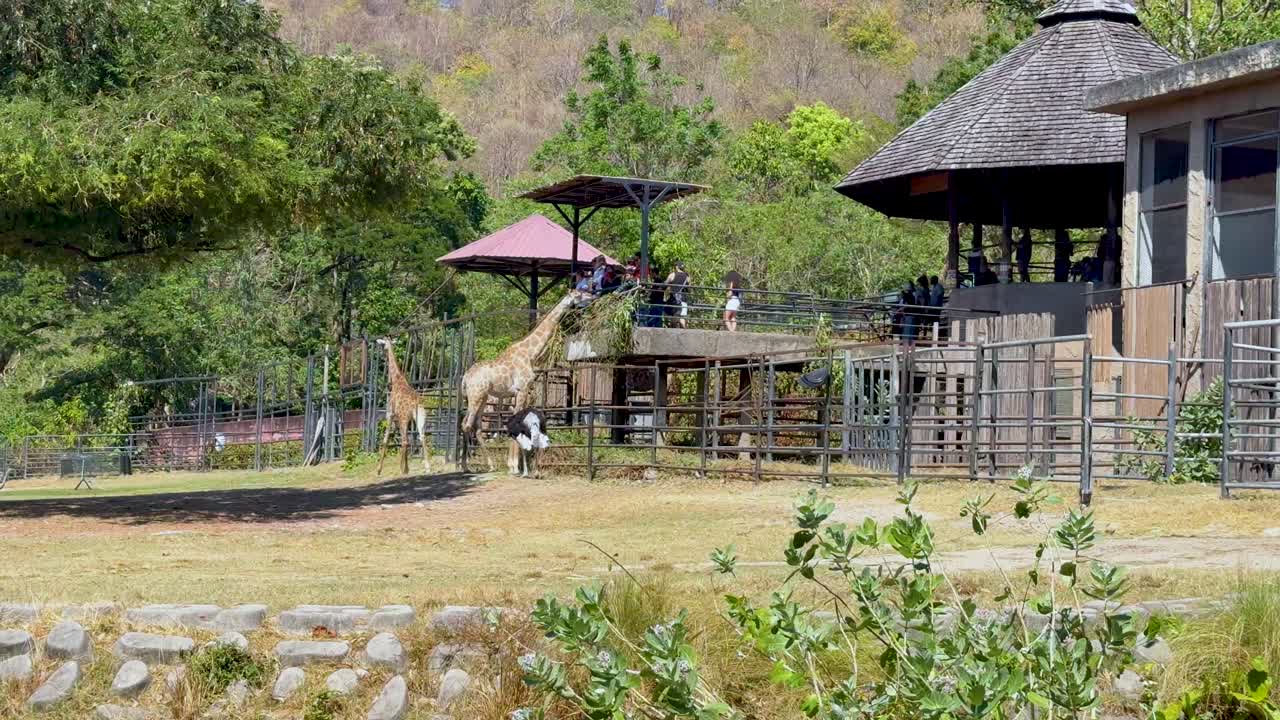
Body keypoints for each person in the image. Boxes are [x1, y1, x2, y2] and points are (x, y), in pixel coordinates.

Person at [665, 261, 690, 329]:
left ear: (676, 267)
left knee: (672, 315)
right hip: (683, 299)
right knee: (681, 317)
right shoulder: (687, 276)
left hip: (675, 299)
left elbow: (665, 284)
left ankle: (673, 330)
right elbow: (689, 288)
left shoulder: (673, 274)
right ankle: (684, 332)